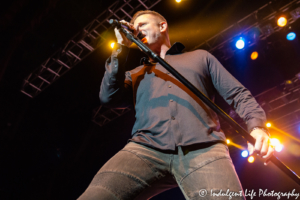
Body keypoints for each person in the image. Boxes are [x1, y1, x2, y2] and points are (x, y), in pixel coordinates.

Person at [78, 10, 274, 200]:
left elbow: (237, 94)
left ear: (162, 26)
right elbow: (108, 97)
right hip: (144, 149)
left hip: (205, 149)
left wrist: (257, 127)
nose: (137, 32)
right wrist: (120, 48)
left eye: (142, 25)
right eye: (134, 30)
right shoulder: (135, 74)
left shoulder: (200, 57)